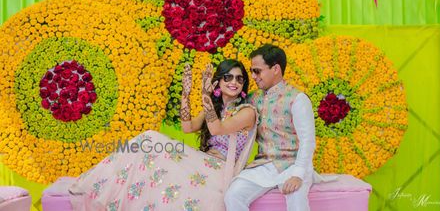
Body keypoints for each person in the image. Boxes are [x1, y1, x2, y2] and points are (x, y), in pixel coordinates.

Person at [69, 59, 257, 211]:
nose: (234, 82)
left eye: (239, 79)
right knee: (146, 146)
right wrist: (186, 93)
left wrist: (205, 95)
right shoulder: (216, 108)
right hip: (203, 162)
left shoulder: (246, 111)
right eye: (228, 77)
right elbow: (187, 127)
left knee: (151, 138)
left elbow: (217, 129)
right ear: (219, 81)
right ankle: (101, 188)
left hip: (221, 170)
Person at [224, 44, 316, 211]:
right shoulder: (253, 98)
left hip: (293, 165)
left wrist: (298, 175)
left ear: (275, 69)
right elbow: (228, 110)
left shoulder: (298, 99)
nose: (253, 76)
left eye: (257, 71)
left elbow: (308, 141)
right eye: (251, 71)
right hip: (264, 165)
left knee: (296, 198)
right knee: (233, 195)